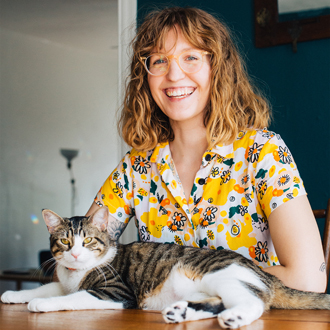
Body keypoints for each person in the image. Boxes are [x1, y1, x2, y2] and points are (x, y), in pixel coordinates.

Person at [86, 7, 326, 293]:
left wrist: (191, 280)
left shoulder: (263, 152)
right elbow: (78, 266)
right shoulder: (135, 167)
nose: (174, 75)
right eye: (159, 60)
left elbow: (308, 279)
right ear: (145, 76)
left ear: (218, 67)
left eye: (191, 57)